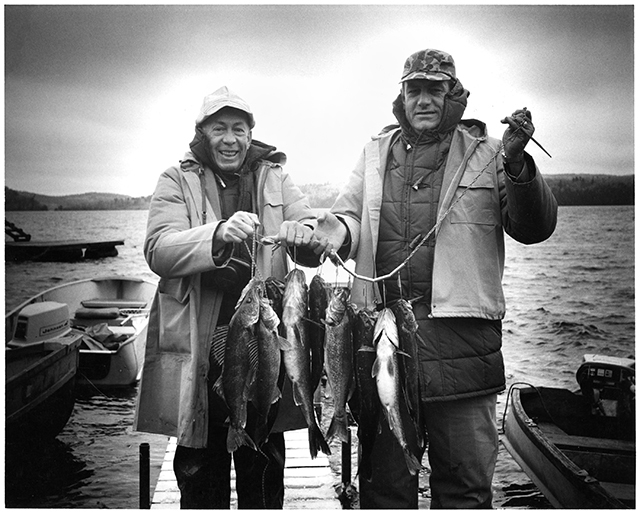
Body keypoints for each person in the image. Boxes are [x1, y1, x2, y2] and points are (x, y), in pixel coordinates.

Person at [311, 49, 558, 508]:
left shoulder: (489, 153)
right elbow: (347, 217)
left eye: (434, 89)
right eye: (414, 89)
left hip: (463, 351)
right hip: (382, 341)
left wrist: (519, 164)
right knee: (384, 491)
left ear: (454, 94)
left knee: (463, 491)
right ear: (401, 97)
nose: (423, 99)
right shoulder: (373, 153)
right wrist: (327, 233)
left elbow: (534, 226)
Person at [134, 86, 320, 509]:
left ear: (251, 135)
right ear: (202, 133)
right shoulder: (175, 178)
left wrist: (303, 236)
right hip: (203, 338)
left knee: (264, 462)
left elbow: (309, 231)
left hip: (264, 336)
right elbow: (158, 249)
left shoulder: (276, 176)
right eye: (219, 128)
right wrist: (216, 235)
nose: (230, 139)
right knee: (200, 467)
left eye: (239, 128)